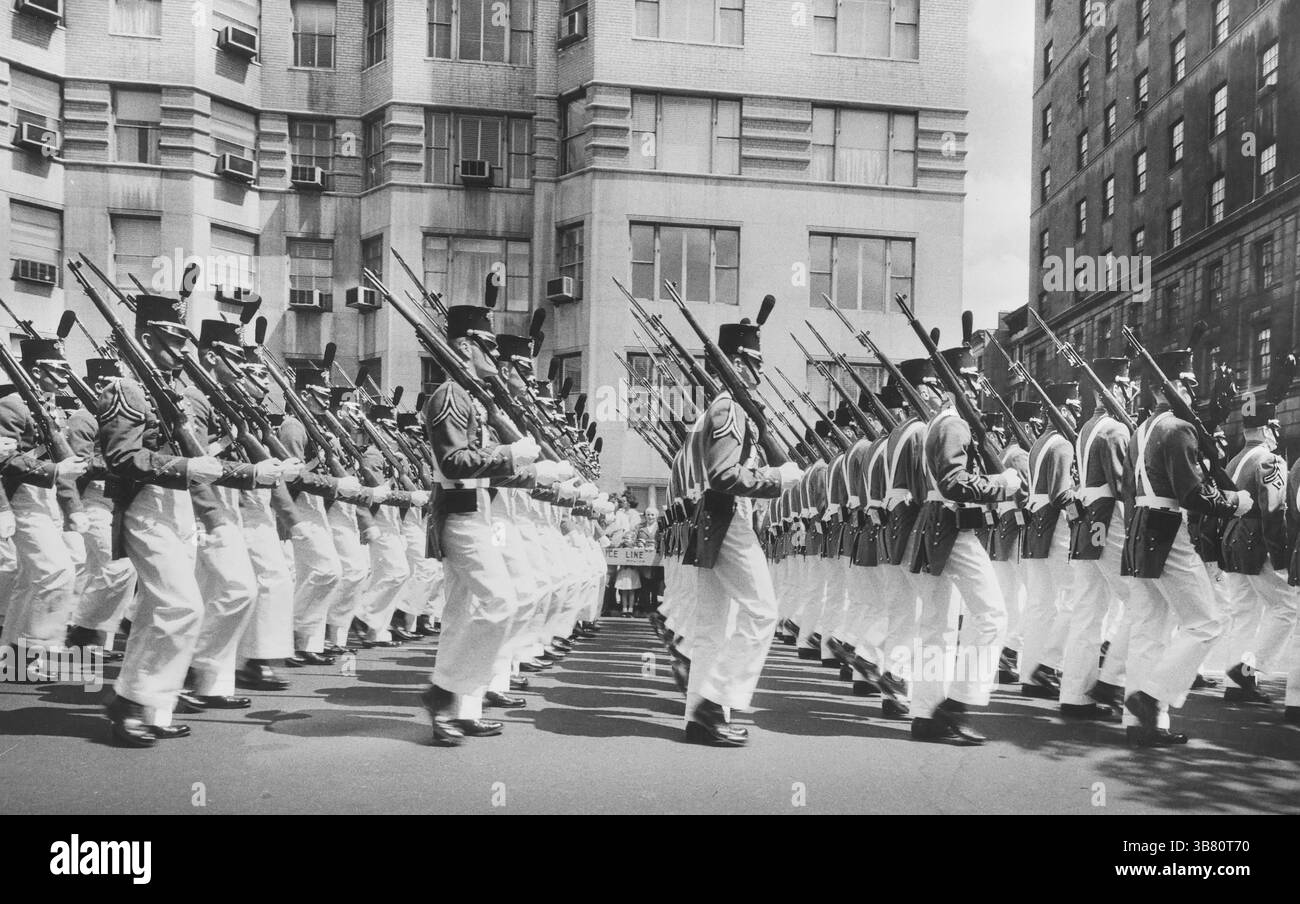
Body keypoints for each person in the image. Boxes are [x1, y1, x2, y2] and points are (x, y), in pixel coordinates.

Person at [680, 310, 802, 746]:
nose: (759, 371)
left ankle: (700, 715)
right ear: (734, 364)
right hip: (726, 515)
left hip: (713, 518)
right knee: (762, 611)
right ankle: (715, 703)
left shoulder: (716, 407)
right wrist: (778, 480)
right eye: (752, 363)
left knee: (714, 624)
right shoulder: (729, 408)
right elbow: (723, 475)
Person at [1121, 349, 1246, 748]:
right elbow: (1191, 494)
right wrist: (1235, 502)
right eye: (1187, 383)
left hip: (1140, 529)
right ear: (1164, 388)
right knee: (1207, 622)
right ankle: (1152, 696)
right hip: (1167, 530)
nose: (1193, 389)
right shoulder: (1177, 429)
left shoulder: (1142, 429)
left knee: (1148, 629)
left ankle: (1143, 723)